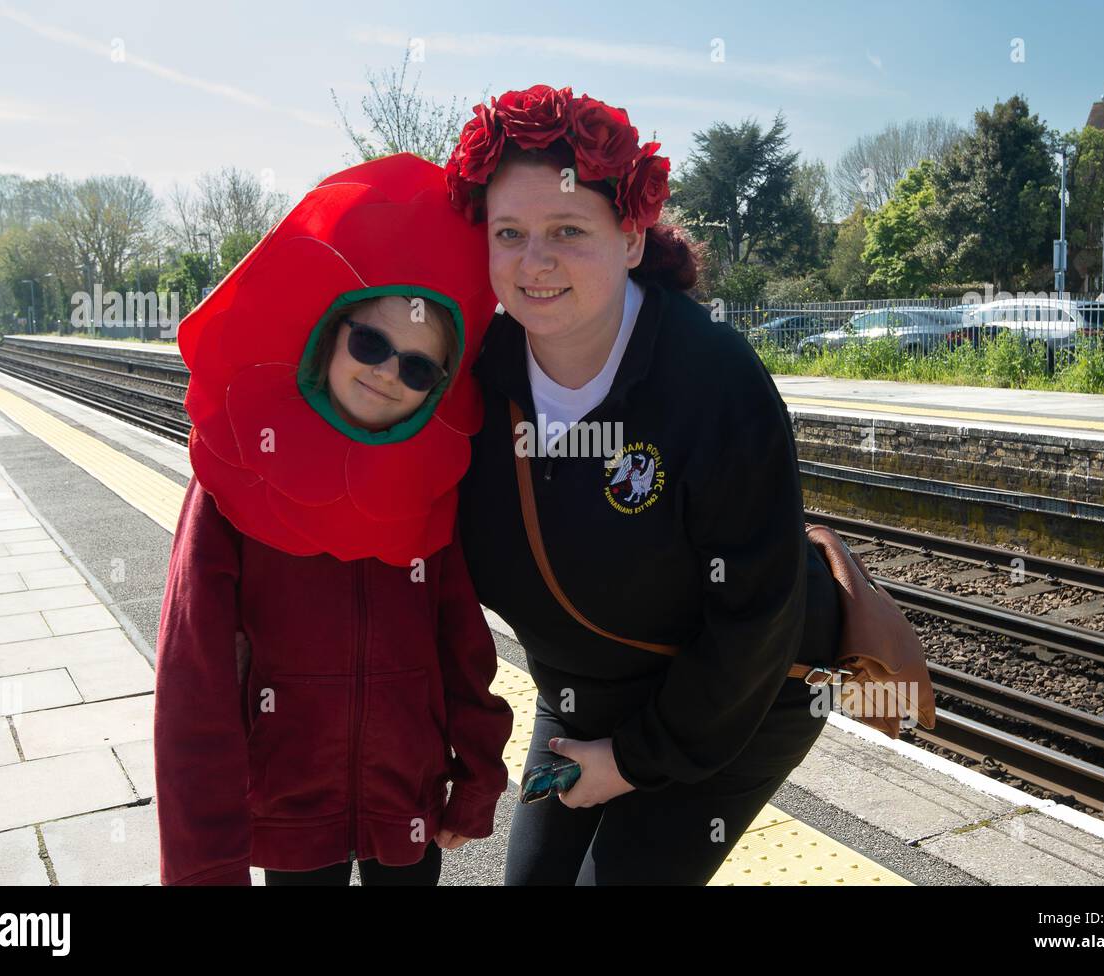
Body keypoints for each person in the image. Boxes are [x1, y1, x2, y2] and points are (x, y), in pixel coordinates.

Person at [448, 85, 842, 885]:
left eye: (568, 230)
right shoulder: (471, 379)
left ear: (632, 238)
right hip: (581, 687)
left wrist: (630, 762)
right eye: (509, 233)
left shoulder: (713, 380)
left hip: (747, 686)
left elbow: (756, 616)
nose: (535, 262)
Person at [153, 153, 514, 886]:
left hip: (408, 807)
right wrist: (204, 866)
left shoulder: (429, 482)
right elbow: (193, 680)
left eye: (419, 368)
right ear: (330, 334)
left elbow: (462, 640)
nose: (389, 372)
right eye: (372, 344)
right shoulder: (233, 472)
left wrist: (478, 776)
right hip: (290, 812)